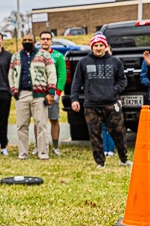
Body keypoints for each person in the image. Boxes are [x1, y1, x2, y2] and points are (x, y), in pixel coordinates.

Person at [71, 32, 132, 168]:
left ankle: (123, 159)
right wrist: (74, 99)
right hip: (91, 105)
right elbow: (76, 83)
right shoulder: (83, 62)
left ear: (105, 46)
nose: (98, 48)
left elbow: (123, 80)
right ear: (92, 47)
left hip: (111, 104)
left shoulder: (115, 61)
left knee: (119, 133)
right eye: (96, 45)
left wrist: (113, 90)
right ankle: (100, 162)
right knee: (95, 135)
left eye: (101, 45)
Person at [8, 32, 57, 160]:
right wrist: (14, 90)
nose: (27, 42)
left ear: (35, 42)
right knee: (21, 125)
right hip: (22, 94)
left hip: (39, 95)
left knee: (41, 124)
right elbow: (11, 74)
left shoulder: (44, 55)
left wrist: (51, 92)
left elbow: (51, 73)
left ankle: (43, 153)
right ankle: (23, 153)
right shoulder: (15, 57)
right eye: (25, 40)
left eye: (30, 40)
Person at [37, 31, 66, 156]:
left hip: (52, 93)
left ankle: (55, 146)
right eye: (43, 39)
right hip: (38, 93)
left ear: (51, 41)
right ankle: (39, 145)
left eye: (47, 39)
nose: (45, 41)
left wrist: (57, 92)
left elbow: (62, 75)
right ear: (39, 41)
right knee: (38, 121)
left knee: (54, 119)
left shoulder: (58, 56)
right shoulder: (35, 55)